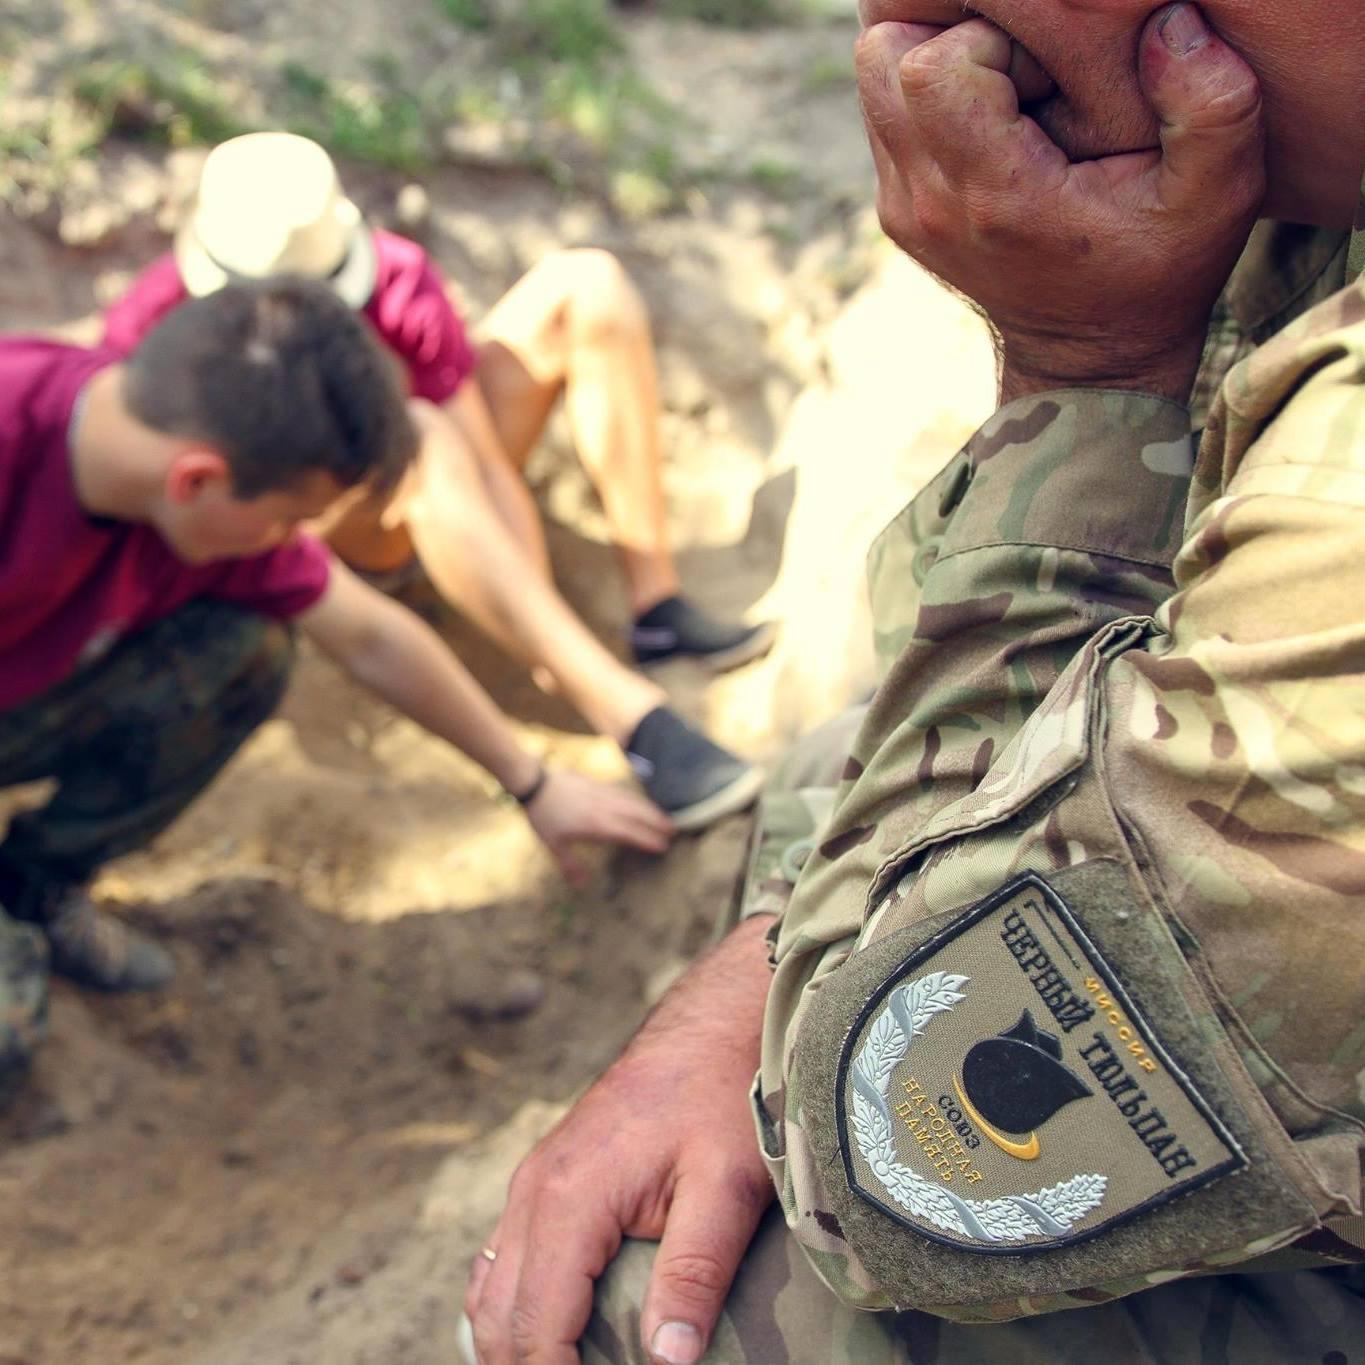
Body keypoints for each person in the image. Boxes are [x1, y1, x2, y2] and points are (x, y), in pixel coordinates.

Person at [461, 2, 1365, 1362]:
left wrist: (1091, 371)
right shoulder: (1305, 188)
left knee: (656, 1301)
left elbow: (889, 1156)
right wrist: (759, 978)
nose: (908, 28)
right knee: (831, 765)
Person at [0, 278, 681, 1109]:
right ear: (197, 480)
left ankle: (32, 883)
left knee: (244, 650)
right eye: (289, 520)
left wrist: (531, 782)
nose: (292, 544)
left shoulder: (185, 474)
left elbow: (365, 633)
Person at [103, 132, 775, 830]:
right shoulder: (151, 330)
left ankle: (653, 607)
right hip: (287, 530)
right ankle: (634, 719)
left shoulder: (395, 277)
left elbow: (482, 459)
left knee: (588, 287)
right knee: (418, 431)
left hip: (420, 489)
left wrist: (539, 632)